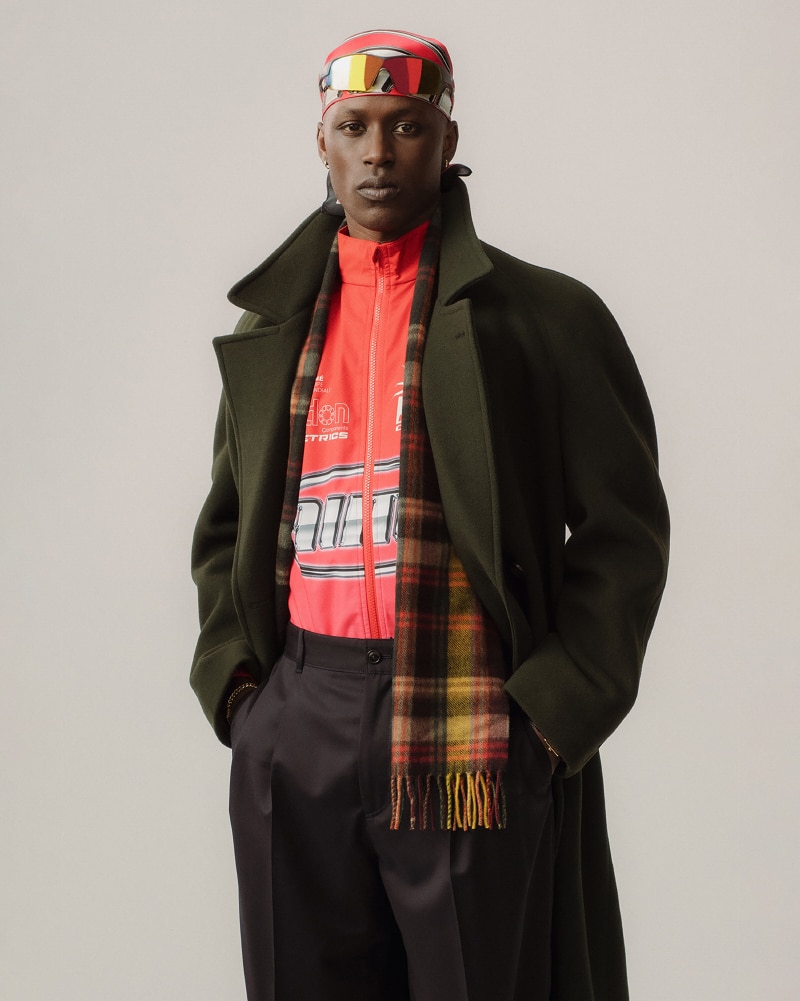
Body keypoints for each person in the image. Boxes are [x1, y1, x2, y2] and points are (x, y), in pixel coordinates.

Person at [191, 28, 669, 1001]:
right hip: (300, 715)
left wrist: (549, 714)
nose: (378, 152)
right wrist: (243, 694)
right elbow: (224, 524)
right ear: (320, 142)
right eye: (354, 126)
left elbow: (624, 531)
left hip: (466, 727)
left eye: (407, 126)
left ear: (446, 139)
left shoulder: (543, 317)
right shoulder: (271, 327)